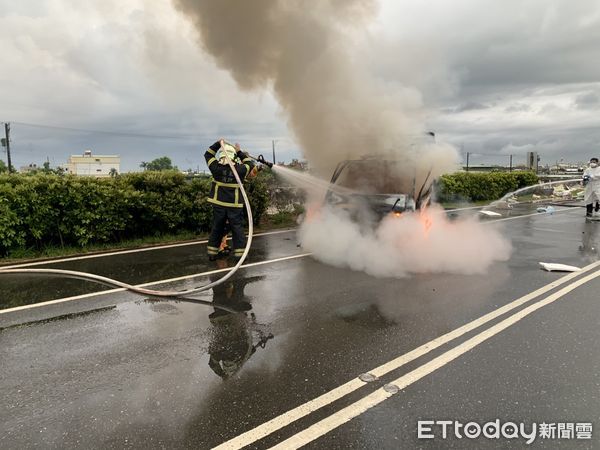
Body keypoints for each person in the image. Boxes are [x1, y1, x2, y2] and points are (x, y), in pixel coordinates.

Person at [204, 140, 255, 261]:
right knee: (237, 228)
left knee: (217, 227)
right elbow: (249, 163)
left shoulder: (216, 168)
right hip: (234, 205)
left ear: (222, 155)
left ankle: (212, 253)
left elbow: (208, 154)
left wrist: (217, 144)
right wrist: (239, 152)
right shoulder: (240, 170)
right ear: (234, 156)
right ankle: (240, 255)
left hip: (219, 204)